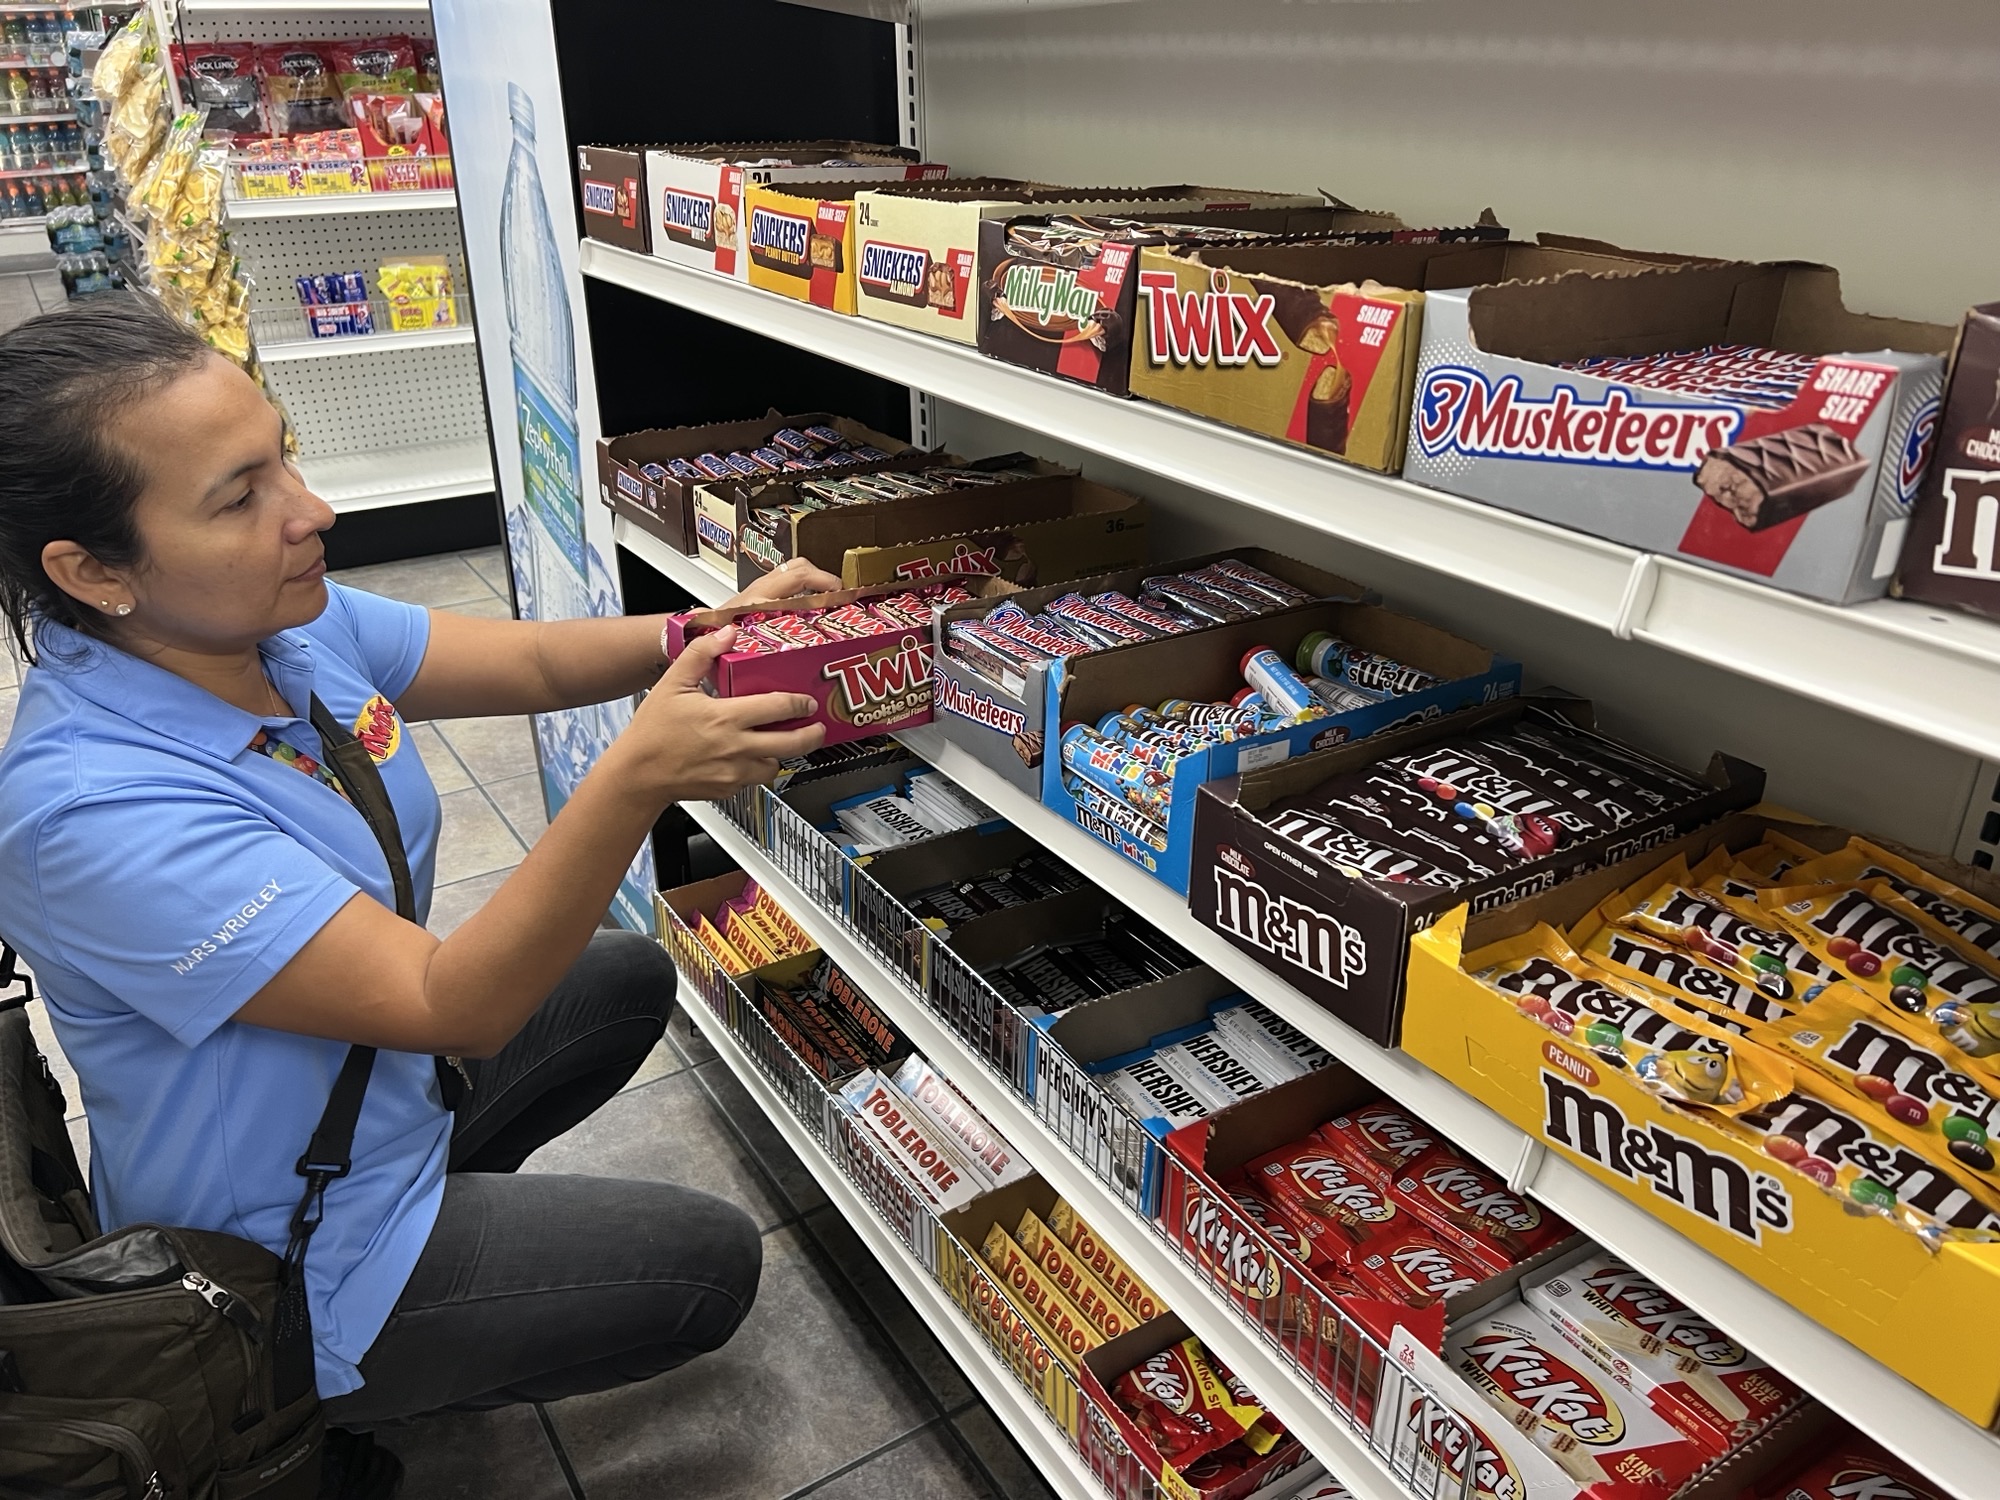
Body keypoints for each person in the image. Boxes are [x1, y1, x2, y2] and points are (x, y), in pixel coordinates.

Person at [0, 296, 839, 1497]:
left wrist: (711, 632)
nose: (312, 509)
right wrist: (635, 777)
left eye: (282, 454)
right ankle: (317, 1392)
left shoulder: (275, 628)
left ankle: (442, 1237)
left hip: (363, 1103)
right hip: (274, 1251)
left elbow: (537, 663)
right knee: (706, 1268)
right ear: (90, 571)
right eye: (239, 497)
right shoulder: (90, 810)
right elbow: (454, 1007)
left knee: (618, 973)